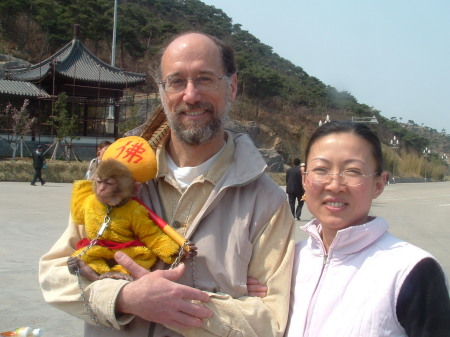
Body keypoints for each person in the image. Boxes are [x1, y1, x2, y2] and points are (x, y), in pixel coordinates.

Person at [39, 32, 295, 337]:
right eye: (176, 82)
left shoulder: (265, 201)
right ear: (162, 92)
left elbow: (273, 320)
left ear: (232, 86)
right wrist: (124, 297)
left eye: (204, 79)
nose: (190, 95)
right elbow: (54, 275)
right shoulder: (115, 177)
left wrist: (179, 306)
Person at [284, 121, 450, 337]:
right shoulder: (287, 262)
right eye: (321, 169)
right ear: (305, 179)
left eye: (353, 171)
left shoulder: (412, 271)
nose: (334, 185)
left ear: (379, 184)